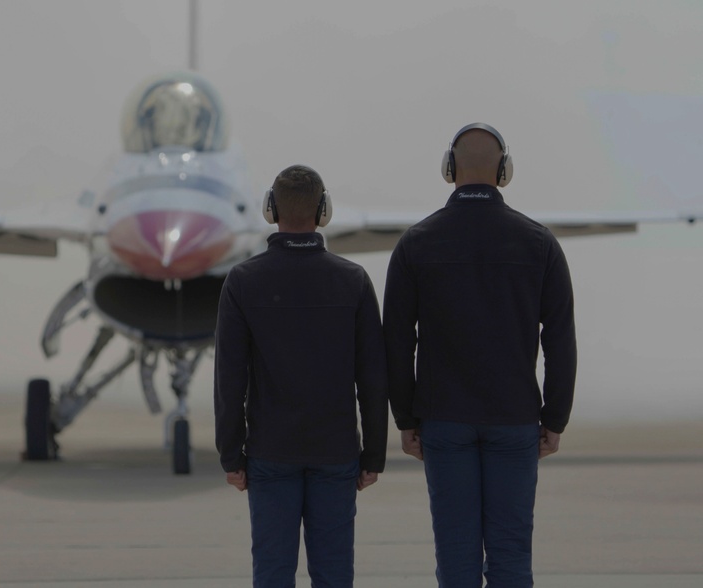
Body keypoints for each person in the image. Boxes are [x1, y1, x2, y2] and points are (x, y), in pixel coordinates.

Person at [383, 123, 578, 587]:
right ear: (504, 171)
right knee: (511, 554)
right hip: (514, 419)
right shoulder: (540, 243)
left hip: (444, 420)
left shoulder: (416, 242)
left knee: (455, 556)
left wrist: (405, 418)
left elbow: (394, 340)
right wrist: (555, 418)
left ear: (449, 170)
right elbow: (560, 340)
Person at [214, 164, 389, 588]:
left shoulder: (242, 281)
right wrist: (373, 455)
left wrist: (231, 455)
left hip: (270, 454)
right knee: (333, 574)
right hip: (336, 453)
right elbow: (372, 377)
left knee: (272, 573)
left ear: (270, 209)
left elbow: (229, 380)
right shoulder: (353, 280)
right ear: (323, 210)